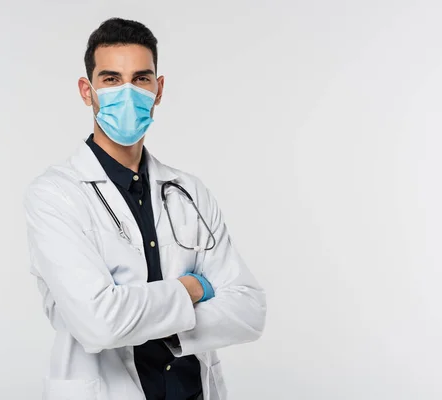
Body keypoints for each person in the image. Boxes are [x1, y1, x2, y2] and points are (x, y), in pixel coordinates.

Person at [23, 17, 267, 400]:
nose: (128, 92)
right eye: (111, 79)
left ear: (158, 89)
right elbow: (98, 324)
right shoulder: (55, 195)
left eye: (140, 79)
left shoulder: (189, 191)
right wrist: (192, 288)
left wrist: (138, 312)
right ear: (87, 91)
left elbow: (250, 311)